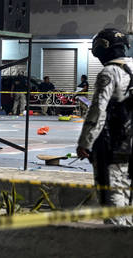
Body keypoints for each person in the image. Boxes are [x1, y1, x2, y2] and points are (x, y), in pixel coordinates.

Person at [77, 28, 133, 226]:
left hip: (114, 149)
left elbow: (98, 111)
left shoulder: (109, 73)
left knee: (113, 204)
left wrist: (85, 143)